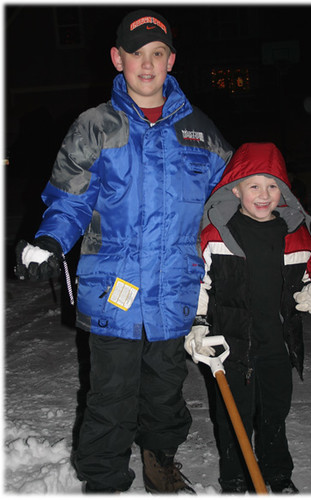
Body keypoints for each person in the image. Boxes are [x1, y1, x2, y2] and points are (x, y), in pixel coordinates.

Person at [14, 8, 234, 494]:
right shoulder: (95, 126)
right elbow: (70, 198)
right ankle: (104, 480)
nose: (148, 64)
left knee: (164, 393)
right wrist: (51, 239)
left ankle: (160, 462)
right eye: (137, 53)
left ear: (171, 60)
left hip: (175, 294)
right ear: (118, 59)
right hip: (113, 291)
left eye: (158, 53)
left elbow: (225, 205)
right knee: (110, 396)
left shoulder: (201, 132)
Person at [185, 142, 311, 494]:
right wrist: (198, 324)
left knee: (275, 412)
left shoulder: (295, 233)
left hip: (278, 343)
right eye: (254, 186)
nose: (264, 195)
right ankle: (234, 477)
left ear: (284, 191)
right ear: (235, 189)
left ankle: (277, 473)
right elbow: (197, 282)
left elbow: (310, 271)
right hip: (231, 345)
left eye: (273, 186)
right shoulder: (216, 234)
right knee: (233, 415)